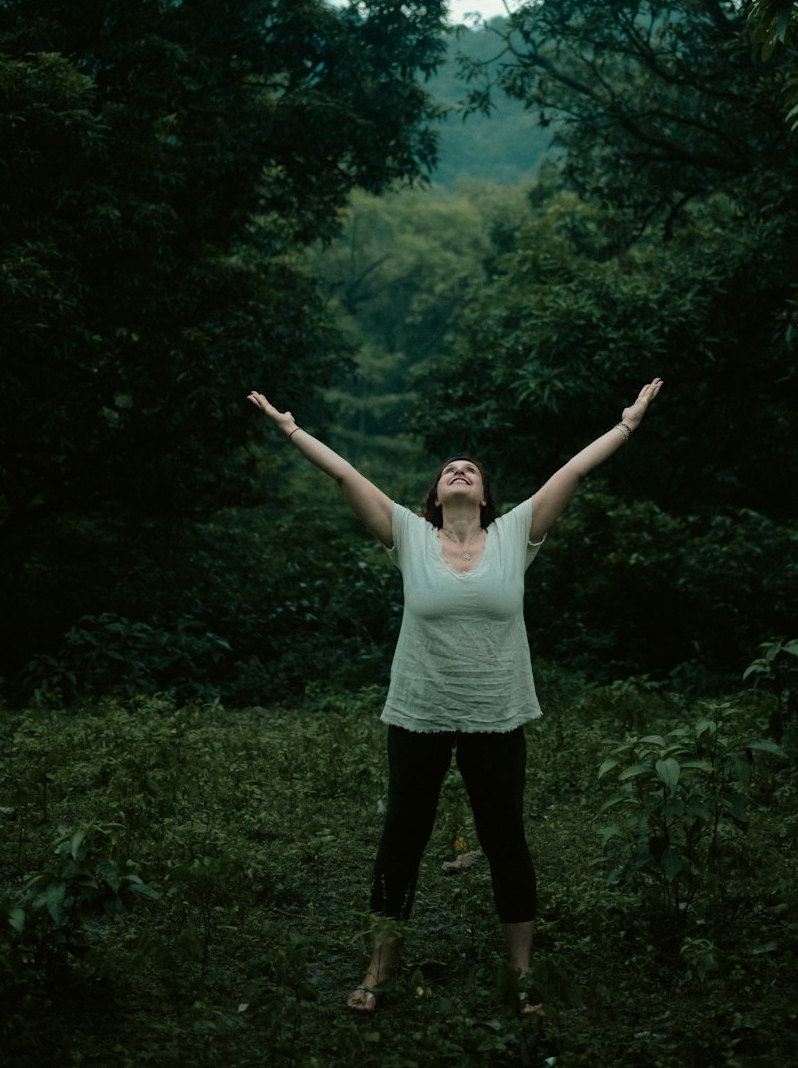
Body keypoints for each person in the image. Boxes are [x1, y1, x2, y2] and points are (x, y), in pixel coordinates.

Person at [246, 380, 664, 1013]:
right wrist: (290, 429)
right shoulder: (409, 537)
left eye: (469, 470)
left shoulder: (516, 535)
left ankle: (522, 975)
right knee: (402, 837)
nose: (459, 472)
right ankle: (381, 969)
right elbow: (345, 475)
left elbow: (574, 469)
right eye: (449, 470)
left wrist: (628, 424)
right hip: (419, 714)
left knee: (505, 840)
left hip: (497, 717)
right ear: (435, 495)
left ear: (486, 495)